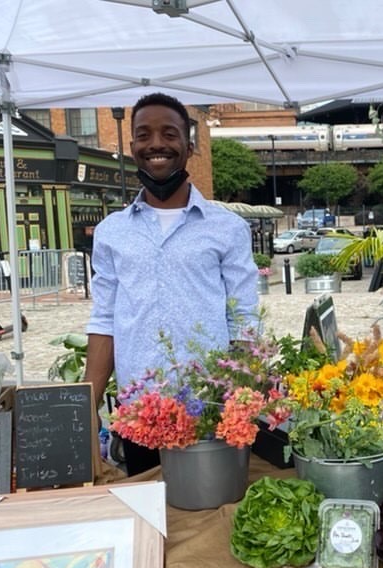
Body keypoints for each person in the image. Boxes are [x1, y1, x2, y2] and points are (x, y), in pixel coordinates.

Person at [84, 92, 259, 475]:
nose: (157, 144)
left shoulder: (227, 229)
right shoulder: (112, 233)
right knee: (150, 516)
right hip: (139, 415)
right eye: (144, 135)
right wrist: (85, 409)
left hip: (208, 408)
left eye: (169, 133)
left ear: (189, 144)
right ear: (131, 146)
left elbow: (244, 317)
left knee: (207, 520)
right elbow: (104, 320)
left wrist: (239, 399)